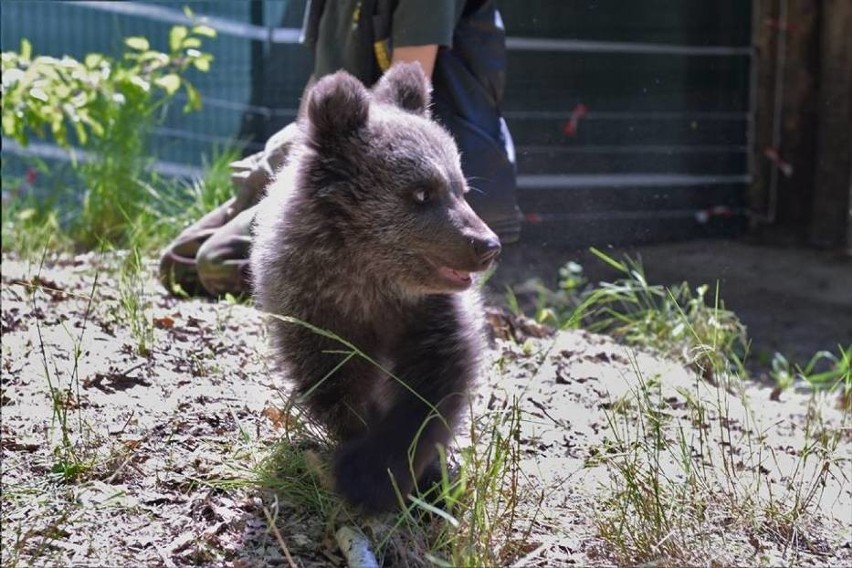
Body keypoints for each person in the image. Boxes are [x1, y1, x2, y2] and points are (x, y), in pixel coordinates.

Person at [159, 0, 522, 297]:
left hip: (420, 189)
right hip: (344, 172)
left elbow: (403, 107)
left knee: (216, 264)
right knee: (177, 263)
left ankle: (327, 301)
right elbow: (321, 92)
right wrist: (283, 163)